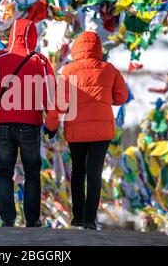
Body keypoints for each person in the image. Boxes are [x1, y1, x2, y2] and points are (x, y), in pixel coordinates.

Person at [44, 31, 128, 230]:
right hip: (102, 131)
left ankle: (77, 217)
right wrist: (107, 99)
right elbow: (122, 97)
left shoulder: (68, 71)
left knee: (78, 171)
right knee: (94, 172)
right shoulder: (110, 70)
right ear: (98, 48)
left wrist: (51, 125)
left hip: (77, 131)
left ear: (77, 48)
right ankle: (90, 219)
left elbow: (59, 103)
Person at [0, 19, 55, 227]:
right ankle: (32, 219)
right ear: (32, 36)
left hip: (2, 125)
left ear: (12, 34)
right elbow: (50, 94)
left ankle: (8, 218)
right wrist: (52, 122)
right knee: (32, 171)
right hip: (29, 125)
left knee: (4, 171)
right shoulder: (40, 61)